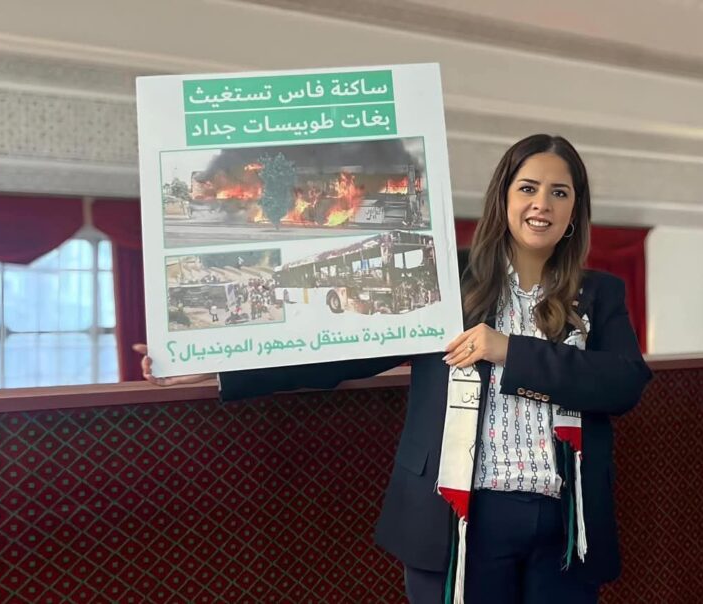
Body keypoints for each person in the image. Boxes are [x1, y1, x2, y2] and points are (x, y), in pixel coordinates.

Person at [134, 134, 652, 604]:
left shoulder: (599, 293)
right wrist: (217, 366)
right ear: (504, 198)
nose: (542, 204)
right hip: (460, 519)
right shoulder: (446, 277)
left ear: (575, 209)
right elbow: (346, 353)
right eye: (528, 188)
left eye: (560, 193)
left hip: (566, 527)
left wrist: (508, 351)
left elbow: (623, 383)